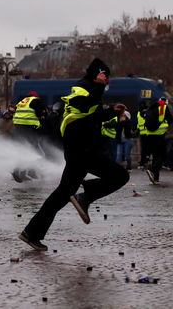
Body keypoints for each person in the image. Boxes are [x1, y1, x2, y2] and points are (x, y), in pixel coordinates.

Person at [19, 58, 129, 251]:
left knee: (62, 194)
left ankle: (32, 232)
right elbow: (83, 106)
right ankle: (85, 196)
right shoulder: (83, 87)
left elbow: (91, 114)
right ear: (99, 74)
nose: (108, 81)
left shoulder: (90, 89)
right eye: (106, 76)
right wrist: (100, 86)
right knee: (120, 176)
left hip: (80, 149)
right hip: (82, 148)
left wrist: (111, 110)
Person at [11, 91, 47, 182]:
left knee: (25, 151)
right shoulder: (35, 101)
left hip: (18, 130)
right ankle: (21, 171)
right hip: (29, 130)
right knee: (38, 153)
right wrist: (42, 115)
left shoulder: (22, 101)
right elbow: (41, 113)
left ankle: (25, 173)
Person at [142, 97, 172, 184]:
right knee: (162, 155)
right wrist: (165, 126)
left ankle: (155, 177)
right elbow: (170, 120)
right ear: (165, 102)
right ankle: (152, 169)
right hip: (159, 135)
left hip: (149, 135)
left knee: (156, 155)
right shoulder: (164, 107)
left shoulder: (152, 107)